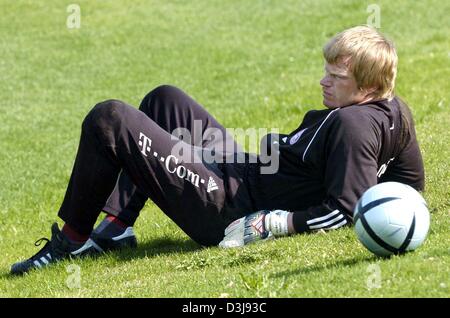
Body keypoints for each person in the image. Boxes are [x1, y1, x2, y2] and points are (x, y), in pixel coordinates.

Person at [10, 25, 424, 274]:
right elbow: (410, 186)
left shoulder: (352, 126)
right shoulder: (394, 110)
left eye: (335, 77)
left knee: (110, 118)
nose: (323, 82)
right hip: (247, 169)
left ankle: (73, 241)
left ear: (368, 86)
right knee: (164, 100)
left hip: (228, 206)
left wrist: (275, 224)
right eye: (327, 72)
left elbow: (346, 208)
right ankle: (117, 229)